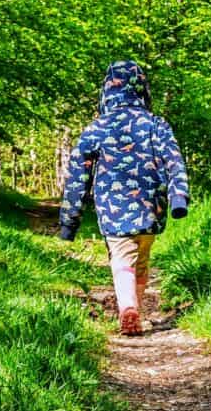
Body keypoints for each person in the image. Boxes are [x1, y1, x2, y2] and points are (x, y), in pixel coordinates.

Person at [58, 60, 189, 335]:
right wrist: (179, 198)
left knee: (121, 259)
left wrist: (70, 221)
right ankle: (136, 311)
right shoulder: (156, 124)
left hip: (113, 209)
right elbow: (175, 161)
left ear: (107, 91)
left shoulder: (98, 127)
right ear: (143, 90)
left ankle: (128, 308)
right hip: (151, 208)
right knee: (141, 259)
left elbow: (77, 175)